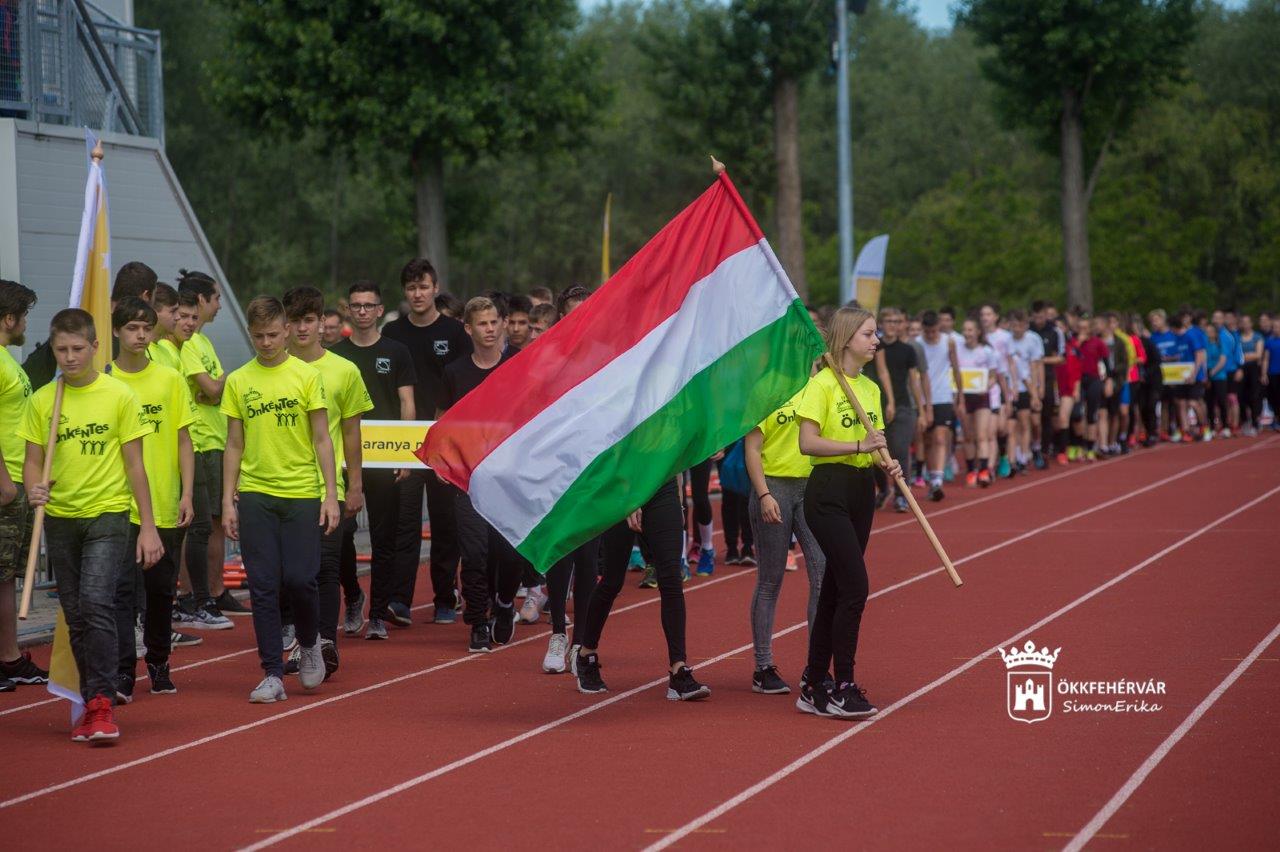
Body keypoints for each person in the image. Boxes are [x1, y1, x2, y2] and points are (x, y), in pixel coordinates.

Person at [21, 308, 163, 742]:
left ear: (95, 347)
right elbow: (31, 462)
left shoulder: (119, 396)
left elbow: (136, 465)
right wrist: (33, 489)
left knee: (97, 603)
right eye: (61, 349)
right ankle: (90, 696)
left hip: (108, 514)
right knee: (78, 613)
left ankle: (101, 704)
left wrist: (149, 526)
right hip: (61, 518)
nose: (69, 357)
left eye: (77, 349)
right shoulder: (43, 399)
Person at [220, 296, 341, 703]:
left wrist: (330, 494)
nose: (267, 343)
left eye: (273, 334)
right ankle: (271, 671)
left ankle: (309, 643)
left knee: (301, 580)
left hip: (302, 492)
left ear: (287, 330)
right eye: (259, 337)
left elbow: (323, 438)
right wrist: (226, 500)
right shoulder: (239, 380)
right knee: (263, 585)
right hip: (256, 493)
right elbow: (233, 444)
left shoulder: (305, 376)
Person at [795, 306, 900, 719]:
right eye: (869, 334)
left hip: (861, 491)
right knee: (855, 586)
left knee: (837, 589)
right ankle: (844, 685)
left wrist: (885, 462)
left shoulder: (870, 390)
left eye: (876, 334)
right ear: (847, 338)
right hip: (827, 492)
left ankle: (813, 681)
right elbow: (808, 443)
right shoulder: (822, 384)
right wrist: (860, 447)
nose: (876, 341)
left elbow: (875, 442)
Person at [282, 287, 372, 677]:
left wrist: (355, 484)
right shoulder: (271, 368)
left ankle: (323, 642)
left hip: (327, 488)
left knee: (325, 566)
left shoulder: (344, 371)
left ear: (323, 323)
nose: (302, 328)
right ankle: (301, 638)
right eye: (295, 320)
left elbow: (352, 433)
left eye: (309, 320)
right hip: (282, 486)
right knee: (291, 573)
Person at [108, 299, 195, 701]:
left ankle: (159, 663)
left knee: (161, 592)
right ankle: (124, 669)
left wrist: (187, 493)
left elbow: (183, 439)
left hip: (163, 499)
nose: (140, 335)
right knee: (122, 592)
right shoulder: (104, 381)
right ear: (115, 332)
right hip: (116, 504)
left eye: (145, 327)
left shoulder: (170, 379)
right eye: (131, 328)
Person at [381, 259, 469, 626]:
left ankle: (445, 598)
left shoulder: (454, 332)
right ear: (405, 292)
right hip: (405, 441)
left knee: (446, 522)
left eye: (424, 286)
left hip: (445, 440)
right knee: (405, 522)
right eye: (411, 287)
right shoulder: (394, 333)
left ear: (435, 288)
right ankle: (399, 600)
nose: (418, 294)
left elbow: (466, 383)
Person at [573, 475, 711, 702]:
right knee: (612, 581)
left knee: (671, 580)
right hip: (622, 489)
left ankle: (679, 669)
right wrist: (631, 500)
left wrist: (678, 499)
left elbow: (674, 450)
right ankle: (586, 653)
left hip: (661, 488)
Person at [331, 281, 418, 640]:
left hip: (384, 453)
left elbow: (407, 403)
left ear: (380, 310)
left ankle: (379, 613)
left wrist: (407, 453)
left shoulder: (397, 351)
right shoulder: (334, 356)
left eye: (369, 305)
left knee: (384, 537)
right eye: (357, 305)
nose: (363, 311)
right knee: (339, 534)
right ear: (348, 311)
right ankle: (353, 594)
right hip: (343, 459)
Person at [439, 297, 521, 653]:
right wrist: (443, 461)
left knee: (509, 553)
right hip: (469, 478)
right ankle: (477, 621)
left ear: (502, 323)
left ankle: (504, 603)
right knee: (473, 553)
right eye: (482, 324)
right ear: (468, 329)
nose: (489, 329)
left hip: (511, 477)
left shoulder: (519, 364)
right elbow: (442, 421)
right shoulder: (455, 373)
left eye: (493, 322)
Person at [743, 389, 825, 695]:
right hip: (774, 487)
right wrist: (764, 494)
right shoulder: (765, 390)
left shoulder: (819, 388)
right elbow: (752, 449)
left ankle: (816, 667)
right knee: (770, 580)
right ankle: (763, 667)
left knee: (822, 572)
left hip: (810, 488)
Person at [175, 270, 240, 627]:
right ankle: (193, 596)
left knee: (214, 521)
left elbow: (211, 391)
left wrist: (216, 386)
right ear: (201, 300)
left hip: (214, 439)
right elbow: (212, 391)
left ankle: (214, 591)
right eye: (216, 299)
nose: (218, 306)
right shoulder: (188, 345)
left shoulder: (203, 342)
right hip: (199, 441)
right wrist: (232, 377)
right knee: (200, 524)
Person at [0, 279, 49, 693]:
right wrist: (5, 484)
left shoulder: (7, 360)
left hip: (16, 479)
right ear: (9, 318)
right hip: (6, 483)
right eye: (24, 315)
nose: (26, 324)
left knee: (6, 577)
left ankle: (9, 658)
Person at [868, 306, 927, 512]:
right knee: (873, 454)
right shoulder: (872, 346)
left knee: (900, 451)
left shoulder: (908, 350)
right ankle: (884, 488)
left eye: (896, 321)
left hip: (903, 407)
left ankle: (902, 495)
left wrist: (922, 410)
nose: (893, 325)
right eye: (888, 322)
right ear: (881, 324)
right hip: (877, 406)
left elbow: (914, 382)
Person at [916, 310, 963, 501]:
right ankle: (931, 474)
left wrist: (960, 394)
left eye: (934, 331)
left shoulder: (948, 341)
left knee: (941, 437)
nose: (931, 335)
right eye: (927, 332)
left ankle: (937, 481)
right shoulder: (917, 344)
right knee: (927, 441)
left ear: (939, 328)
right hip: (923, 397)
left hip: (943, 395)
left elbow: (956, 368)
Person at [956, 318, 1001, 486]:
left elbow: (993, 376)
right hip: (964, 398)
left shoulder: (986, 351)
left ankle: (983, 471)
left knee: (982, 435)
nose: (967, 333)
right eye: (965, 330)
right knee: (968, 436)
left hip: (982, 397)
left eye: (970, 330)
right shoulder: (958, 350)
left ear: (978, 332)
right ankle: (971, 471)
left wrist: (985, 386)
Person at [1008, 310, 1045, 473]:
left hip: (1027, 386)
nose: (1016, 329)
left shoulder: (1033, 340)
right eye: (1013, 326)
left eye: (1020, 326)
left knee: (1029, 422)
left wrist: (1037, 388)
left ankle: (1029, 452)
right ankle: (1016, 458)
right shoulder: (1006, 340)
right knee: (1013, 426)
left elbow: (1036, 365)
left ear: (1025, 326)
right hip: (1011, 387)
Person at [1238, 314, 1264, 436]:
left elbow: (1258, 354)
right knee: (1241, 396)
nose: (1245, 324)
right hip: (1241, 369)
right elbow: (1236, 354)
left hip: (1254, 369)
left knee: (1254, 396)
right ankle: (1245, 421)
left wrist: (1244, 356)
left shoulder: (1257, 337)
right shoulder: (1237, 337)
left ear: (1251, 323)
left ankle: (1255, 422)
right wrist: (1248, 356)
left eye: (1247, 322)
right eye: (1243, 322)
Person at [147, 283, 183, 372]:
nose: (178, 317)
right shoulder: (140, 353)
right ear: (154, 313)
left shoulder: (169, 353)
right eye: (173, 311)